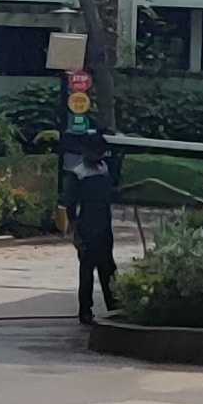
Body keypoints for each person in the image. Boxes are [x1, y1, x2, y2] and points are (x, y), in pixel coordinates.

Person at [58, 121, 120, 323]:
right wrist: (74, 228)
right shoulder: (78, 173)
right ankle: (85, 310)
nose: (98, 156)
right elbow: (70, 203)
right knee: (87, 270)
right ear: (85, 152)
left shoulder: (105, 169)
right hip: (87, 227)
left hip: (104, 226)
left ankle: (115, 305)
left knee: (108, 268)